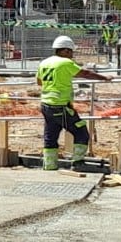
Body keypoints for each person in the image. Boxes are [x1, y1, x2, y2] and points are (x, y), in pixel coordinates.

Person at [37, 34, 110, 167]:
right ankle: (78, 162)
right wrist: (104, 78)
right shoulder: (65, 63)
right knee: (81, 132)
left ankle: (49, 165)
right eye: (71, 52)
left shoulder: (44, 62)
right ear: (65, 50)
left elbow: (39, 82)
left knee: (51, 135)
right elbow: (85, 73)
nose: (72, 55)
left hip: (46, 105)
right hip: (60, 106)